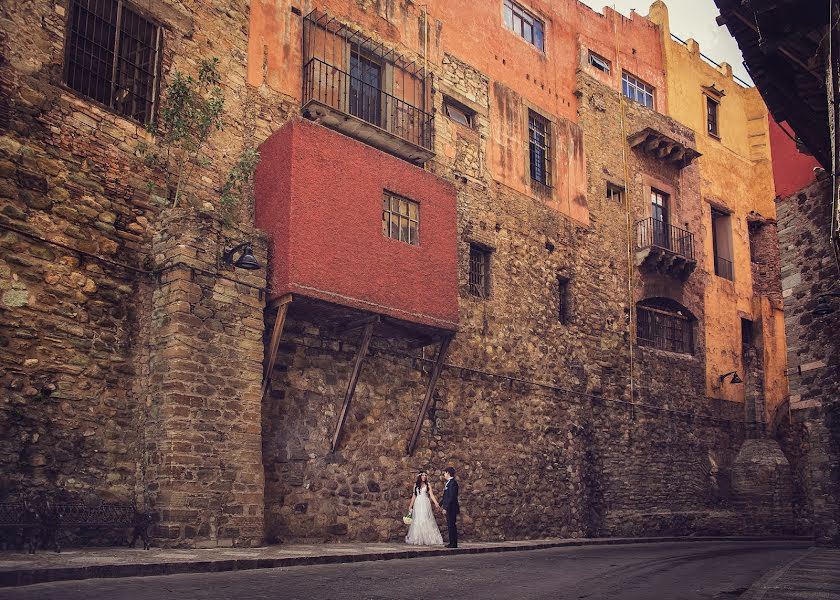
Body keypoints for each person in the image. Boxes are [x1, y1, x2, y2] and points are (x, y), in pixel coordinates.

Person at [405, 470, 444, 546]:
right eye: (423, 475)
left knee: (425, 518)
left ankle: (428, 538)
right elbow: (414, 496)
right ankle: (418, 538)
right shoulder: (416, 485)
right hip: (418, 503)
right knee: (418, 519)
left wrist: (436, 503)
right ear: (420, 476)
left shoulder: (428, 484)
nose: (424, 477)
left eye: (425, 475)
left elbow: (431, 495)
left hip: (425, 502)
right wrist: (410, 505)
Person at [439, 466, 460, 548]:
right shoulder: (449, 483)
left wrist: (445, 508)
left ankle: (453, 543)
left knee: (452, 525)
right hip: (450, 507)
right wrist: (440, 504)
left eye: (444, 473)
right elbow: (446, 497)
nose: (444, 474)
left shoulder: (453, 483)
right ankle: (452, 542)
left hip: (452, 508)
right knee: (450, 525)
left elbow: (451, 497)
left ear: (448, 473)